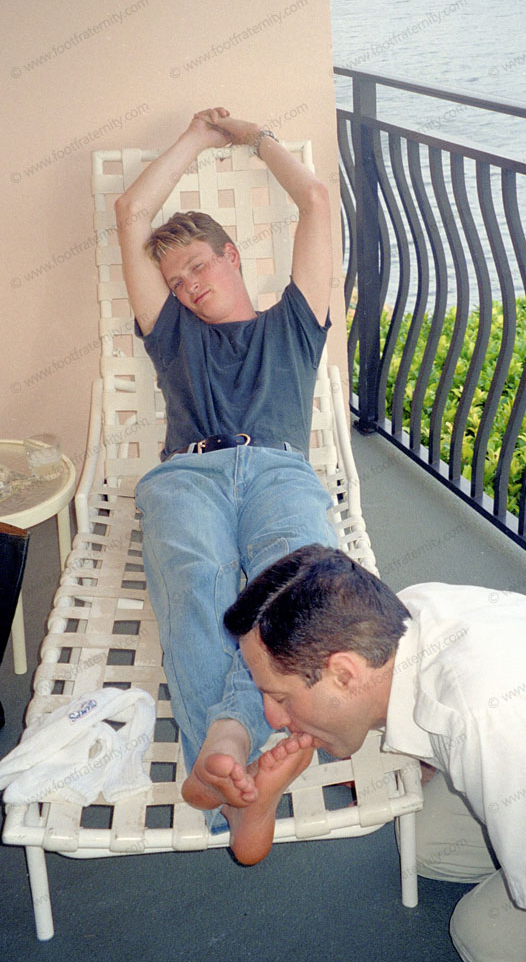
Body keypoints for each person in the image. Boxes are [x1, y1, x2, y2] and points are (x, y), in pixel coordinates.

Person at [226, 543, 526, 962]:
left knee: (488, 938)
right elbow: (435, 726)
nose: (273, 717)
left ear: (345, 674)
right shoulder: (405, 616)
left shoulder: (492, 725)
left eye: (280, 697)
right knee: (427, 843)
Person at [115, 109, 337, 854]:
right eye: (175, 281)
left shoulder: (294, 323)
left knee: (295, 581)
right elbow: (131, 213)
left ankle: (227, 747)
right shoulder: (172, 333)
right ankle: (238, 761)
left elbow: (317, 201)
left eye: (198, 267)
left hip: (279, 467)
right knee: (197, 581)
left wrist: (249, 135)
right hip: (189, 473)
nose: (187, 287)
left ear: (232, 255)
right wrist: (192, 139)